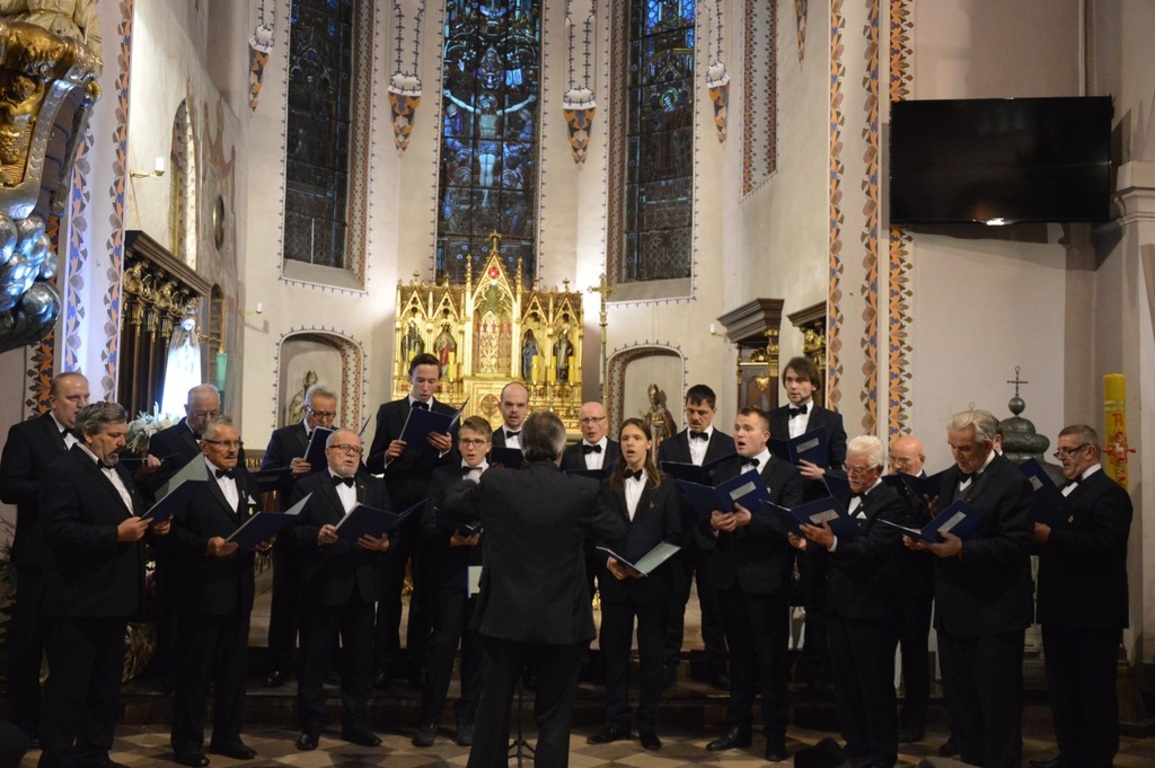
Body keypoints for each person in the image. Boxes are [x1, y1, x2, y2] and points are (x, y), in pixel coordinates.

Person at [441, 410, 624, 768]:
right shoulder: (581, 491)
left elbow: (451, 504)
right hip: (562, 618)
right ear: (561, 451)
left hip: (504, 615)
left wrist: (476, 480)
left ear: (523, 448)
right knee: (555, 715)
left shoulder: (497, 484)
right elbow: (615, 531)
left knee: (493, 710)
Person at [38, 401, 169, 768]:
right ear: (88, 434)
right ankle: (57, 759)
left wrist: (151, 528)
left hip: (116, 598)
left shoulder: (120, 470)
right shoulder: (62, 471)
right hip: (79, 600)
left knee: (106, 685)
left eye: (123, 435)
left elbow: (129, 516)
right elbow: (58, 531)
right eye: (113, 436)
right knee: (69, 688)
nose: (121, 443)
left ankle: (94, 754)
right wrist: (114, 535)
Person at [904, 409, 1033, 768]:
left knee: (997, 701)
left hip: (994, 610)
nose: (958, 455)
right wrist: (927, 539)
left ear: (990, 444)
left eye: (965, 448)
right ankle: (972, 759)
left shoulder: (1012, 482)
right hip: (953, 606)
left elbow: (1018, 544)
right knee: (960, 700)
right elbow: (949, 526)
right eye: (953, 447)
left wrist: (964, 550)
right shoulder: (950, 478)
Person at [790, 435, 905, 768]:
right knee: (846, 684)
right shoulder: (840, 497)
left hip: (872, 609)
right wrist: (807, 542)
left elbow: (873, 549)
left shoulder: (892, 503)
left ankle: (881, 753)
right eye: (848, 468)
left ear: (878, 470)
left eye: (860, 470)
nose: (852, 475)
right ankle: (856, 746)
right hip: (839, 606)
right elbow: (828, 546)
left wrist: (832, 543)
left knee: (874, 685)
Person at [700, 407, 803, 762]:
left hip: (766, 582)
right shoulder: (724, 470)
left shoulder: (787, 474)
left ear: (765, 435)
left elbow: (791, 525)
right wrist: (714, 522)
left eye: (747, 428)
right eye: (737, 428)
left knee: (771, 662)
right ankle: (738, 726)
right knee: (739, 660)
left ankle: (775, 735)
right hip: (730, 580)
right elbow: (706, 518)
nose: (740, 434)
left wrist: (752, 521)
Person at [163, 417, 266, 767]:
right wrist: (205, 546)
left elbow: (252, 519)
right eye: (224, 443)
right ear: (204, 447)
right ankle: (187, 743)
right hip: (201, 590)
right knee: (195, 672)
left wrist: (263, 539)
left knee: (234, 672)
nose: (233, 449)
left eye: (236, 443)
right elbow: (168, 534)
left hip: (239, 590)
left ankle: (227, 737)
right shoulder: (186, 479)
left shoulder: (246, 479)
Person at [1030, 425, 1132, 768]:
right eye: (1059, 452)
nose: (1062, 458)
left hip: (1093, 613)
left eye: (1068, 451)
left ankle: (1098, 759)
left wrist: (1052, 537)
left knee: (1094, 692)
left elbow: (1108, 545)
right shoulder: (1065, 491)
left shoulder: (1110, 494)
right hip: (1059, 609)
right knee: (1063, 692)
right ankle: (1071, 755)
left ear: (1090, 451)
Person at [0, 372, 89, 749]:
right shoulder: (27, 434)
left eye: (85, 398)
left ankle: (63, 723)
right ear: (52, 401)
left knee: (69, 646)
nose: (81, 405)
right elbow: (8, 487)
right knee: (29, 641)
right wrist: (57, 487)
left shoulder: (90, 437)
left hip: (79, 556)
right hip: (39, 556)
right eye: (73, 398)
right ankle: (22, 723)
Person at [290, 428, 389, 751]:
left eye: (356, 450)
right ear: (327, 452)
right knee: (314, 659)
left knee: (360, 661)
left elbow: (392, 529)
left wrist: (385, 543)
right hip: (322, 584)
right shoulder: (306, 486)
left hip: (361, 585)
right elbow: (290, 532)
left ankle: (355, 723)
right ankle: (311, 725)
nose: (350, 454)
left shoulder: (375, 486)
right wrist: (316, 536)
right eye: (344, 448)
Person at [586, 419, 682, 751]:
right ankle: (616, 721)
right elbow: (594, 534)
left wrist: (647, 567)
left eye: (637, 438)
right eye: (625, 438)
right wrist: (608, 561)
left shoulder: (666, 486)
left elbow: (675, 536)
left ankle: (648, 724)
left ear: (649, 444)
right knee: (614, 655)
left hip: (651, 584)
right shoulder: (606, 486)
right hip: (616, 582)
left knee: (652, 658)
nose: (630, 444)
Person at [365, 353, 457, 690]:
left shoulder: (448, 414)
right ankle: (384, 663)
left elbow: (455, 467)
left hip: (430, 513)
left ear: (439, 382)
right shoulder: (390, 411)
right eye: (420, 380)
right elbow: (372, 462)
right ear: (409, 379)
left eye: (432, 381)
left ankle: (418, 665)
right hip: (396, 509)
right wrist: (388, 454)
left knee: (426, 593)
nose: (426, 386)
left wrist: (447, 450)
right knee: (388, 591)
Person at [768, 356, 847, 694]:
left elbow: (844, 471)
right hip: (780, 513)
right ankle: (773, 669)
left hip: (816, 514)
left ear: (813, 384)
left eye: (800, 380)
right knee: (774, 593)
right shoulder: (772, 419)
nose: (793, 386)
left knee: (816, 597)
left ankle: (816, 672)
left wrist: (822, 473)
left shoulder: (831, 421)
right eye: (788, 380)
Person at [412, 416, 491, 749]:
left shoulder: (499, 479)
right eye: (466, 441)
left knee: (476, 646)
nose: (471, 448)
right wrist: (450, 540)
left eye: (477, 442)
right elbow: (427, 525)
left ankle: (467, 719)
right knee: (443, 645)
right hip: (450, 569)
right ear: (458, 444)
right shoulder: (442, 475)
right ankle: (430, 718)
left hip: (480, 572)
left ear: (488, 445)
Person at [143, 383, 222, 693]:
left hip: (211, 535)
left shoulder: (225, 437)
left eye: (213, 413)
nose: (208, 420)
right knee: (174, 611)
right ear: (187, 410)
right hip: (177, 535)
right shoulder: (165, 440)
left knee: (206, 613)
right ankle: (170, 673)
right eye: (201, 414)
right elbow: (154, 487)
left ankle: (204, 673)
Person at [260, 384, 338, 688]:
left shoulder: (339, 438)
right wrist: (288, 471)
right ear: (306, 410)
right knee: (286, 601)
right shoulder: (284, 437)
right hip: (292, 527)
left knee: (326, 601)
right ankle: (280, 663)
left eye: (330, 415)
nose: (325, 421)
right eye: (319, 414)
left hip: (327, 528)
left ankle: (324, 664)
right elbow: (265, 478)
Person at [656, 384, 733, 690]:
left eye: (702, 412)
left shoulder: (728, 446)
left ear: (713, 411)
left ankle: (717, 667)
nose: (695, 417)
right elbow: (662, 488)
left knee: (714, 607)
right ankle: (668, 666)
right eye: (690, 411)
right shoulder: (669, 446)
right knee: (673, 605)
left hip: (713, 536)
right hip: (679, 534)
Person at [887, 434, 934, 743]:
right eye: (893, 459)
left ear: (921, 460)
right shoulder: (886, 487)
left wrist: (924, 536)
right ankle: (885, 718)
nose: (898, 465)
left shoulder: (935, 490)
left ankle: (915, 720)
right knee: (881, 652)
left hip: (917, 582)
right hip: (885, 582)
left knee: (915, 654)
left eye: (904, 460)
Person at [561, 401, 619, 472]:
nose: (590, 425)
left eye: (595, 420)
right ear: (580, 425)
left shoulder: (620, 451)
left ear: (606, 423)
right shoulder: (567, 454)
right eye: (585, 420)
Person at [490, 381, 530, 451]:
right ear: (500, 406)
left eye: (520, 405)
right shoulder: (489, 440)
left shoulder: (538, 442)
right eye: (509, 404)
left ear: (527, 409)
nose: (514, 410)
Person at [643, 383, 677, 448]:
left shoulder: (663, 411)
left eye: (653, 399)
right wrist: (645, 419)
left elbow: (669, 425)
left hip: (660, 436)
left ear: (657, 398)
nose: (652, 401)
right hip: (651, 437)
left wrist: (659, 425)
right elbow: (648, 423)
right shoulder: (650, 410)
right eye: (650, 399)